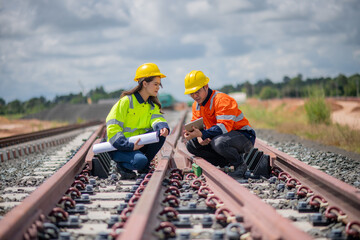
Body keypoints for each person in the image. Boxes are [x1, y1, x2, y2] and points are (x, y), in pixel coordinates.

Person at [183, 70, 256, 178]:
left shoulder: (222, 100)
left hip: (243, 137)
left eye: (197, 91)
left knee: (219, 142)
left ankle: (240, 164)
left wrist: (202, 134)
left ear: (206, 86)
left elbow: (224, 127)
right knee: (191, 145)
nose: (195, 95)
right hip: (220, 138)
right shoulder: (196, 105)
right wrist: (198, 138)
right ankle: (226, 163)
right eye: (191, 93)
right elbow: (198, 127)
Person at [106, 63, 170, 179]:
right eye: (155, 84)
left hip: (138, 143)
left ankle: (142, 165)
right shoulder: (126, 101)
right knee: (140, 160)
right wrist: (129, 146)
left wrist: (162, 127)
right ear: (145, 83)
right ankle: (122, 166)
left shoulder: (151, 105)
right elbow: (113, 127)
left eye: (159, 85)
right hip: (120, 146)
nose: (158, 87)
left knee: (160, 135)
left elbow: (157, 118)